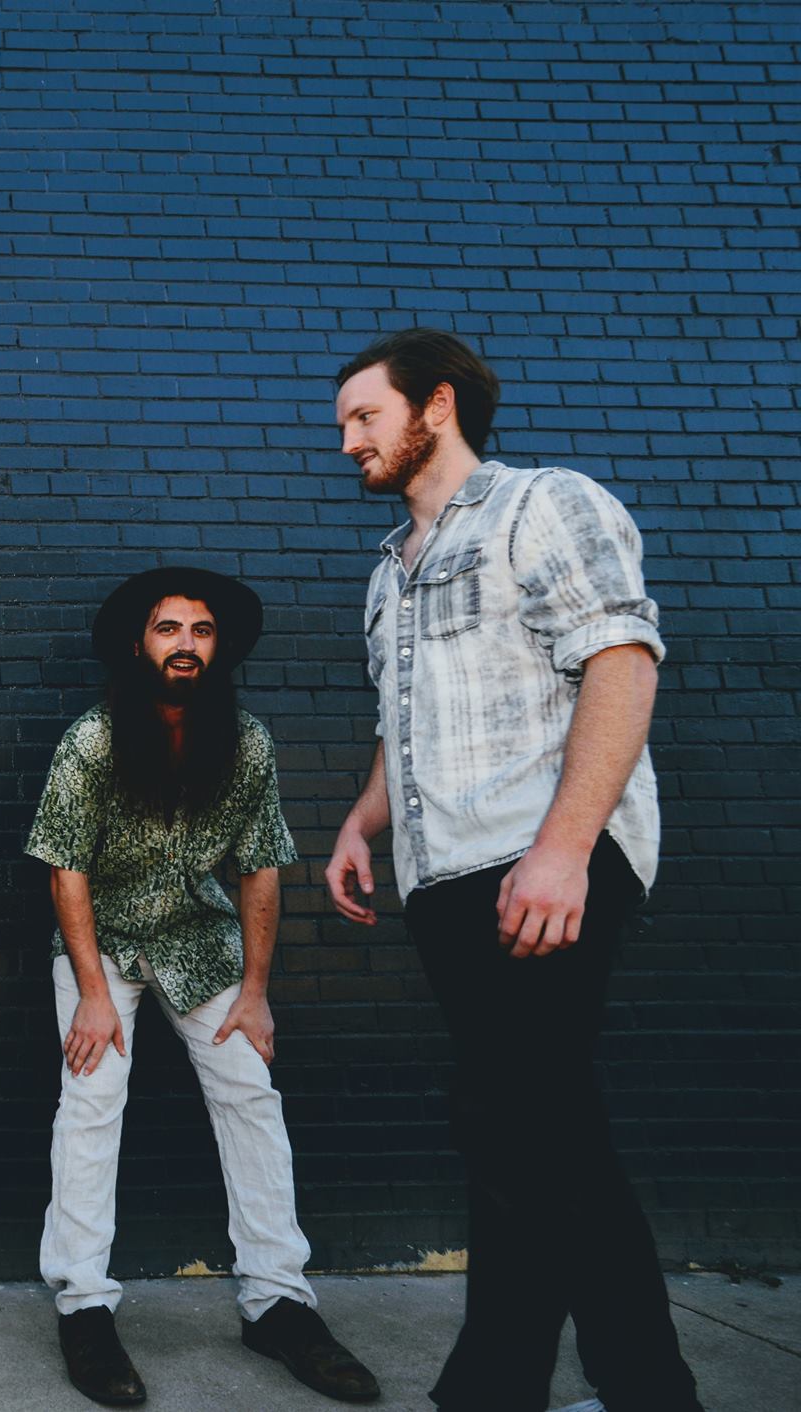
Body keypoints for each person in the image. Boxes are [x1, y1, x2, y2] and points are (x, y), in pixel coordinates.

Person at [324, 329, 703, 1412]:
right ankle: (503, 1388)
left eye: (363, 416)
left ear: (432, 405)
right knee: (520, 1131)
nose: (346, 440)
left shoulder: (542, 503)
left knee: (527, 1122)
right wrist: (361, 819)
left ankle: (637, 1391)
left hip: (536, 860)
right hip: (445, 877)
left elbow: (620, 663)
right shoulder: (386, 572)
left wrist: (562, 847)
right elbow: (407, 726)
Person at [26, 568, 380, 1407]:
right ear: (140, 644)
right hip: (100, 946)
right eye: (168, 628)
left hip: (200, 941)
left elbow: (260, 869)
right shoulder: (93, 740)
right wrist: (93, 996)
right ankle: (83, 1306)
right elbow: (64, 871)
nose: (185, 643)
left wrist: (256, 992)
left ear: (218, 648)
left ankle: (279, 1304)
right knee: (91, 1102)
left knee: (251, 1095)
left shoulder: (246, 741)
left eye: (202, 630)